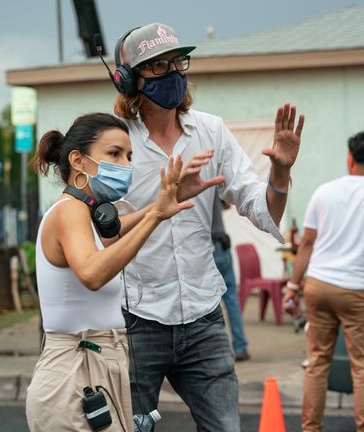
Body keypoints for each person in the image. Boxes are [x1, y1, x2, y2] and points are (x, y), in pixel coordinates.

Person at [106, 22, 305, 431]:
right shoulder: (117, 142)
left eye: (179, 61)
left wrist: (280, 174)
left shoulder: (211, 130)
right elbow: (100, 231)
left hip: (202, 317)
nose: (174, 73)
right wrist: (159, 205)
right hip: (135, 319)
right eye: (158, 66)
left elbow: (259, 207)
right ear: (128, 79)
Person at [24, 113, 191, 432]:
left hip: (97, 366)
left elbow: (114, 232)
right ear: (78, 161)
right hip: (75, 371)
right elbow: (92, 273)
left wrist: (161, 206)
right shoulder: (69, 211)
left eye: (129, 156)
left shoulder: (87, 218)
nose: (126, 165)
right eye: (114, 154)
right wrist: (155, 216)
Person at [283, 132, 364, 432]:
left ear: (350, 158)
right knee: (363, 369)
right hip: (358, 291)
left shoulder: (324, 191)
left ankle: (311, 428)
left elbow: (307, 242)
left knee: (317, 362)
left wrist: (292, 288)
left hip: (318, 287)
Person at [211, 194, 250, 362]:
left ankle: (217, 350)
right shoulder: (213, 181)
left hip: (205, 247)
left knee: (208, 303)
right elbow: (227, 205)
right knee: (231, 298)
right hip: (221, 244)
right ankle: (240, 347)